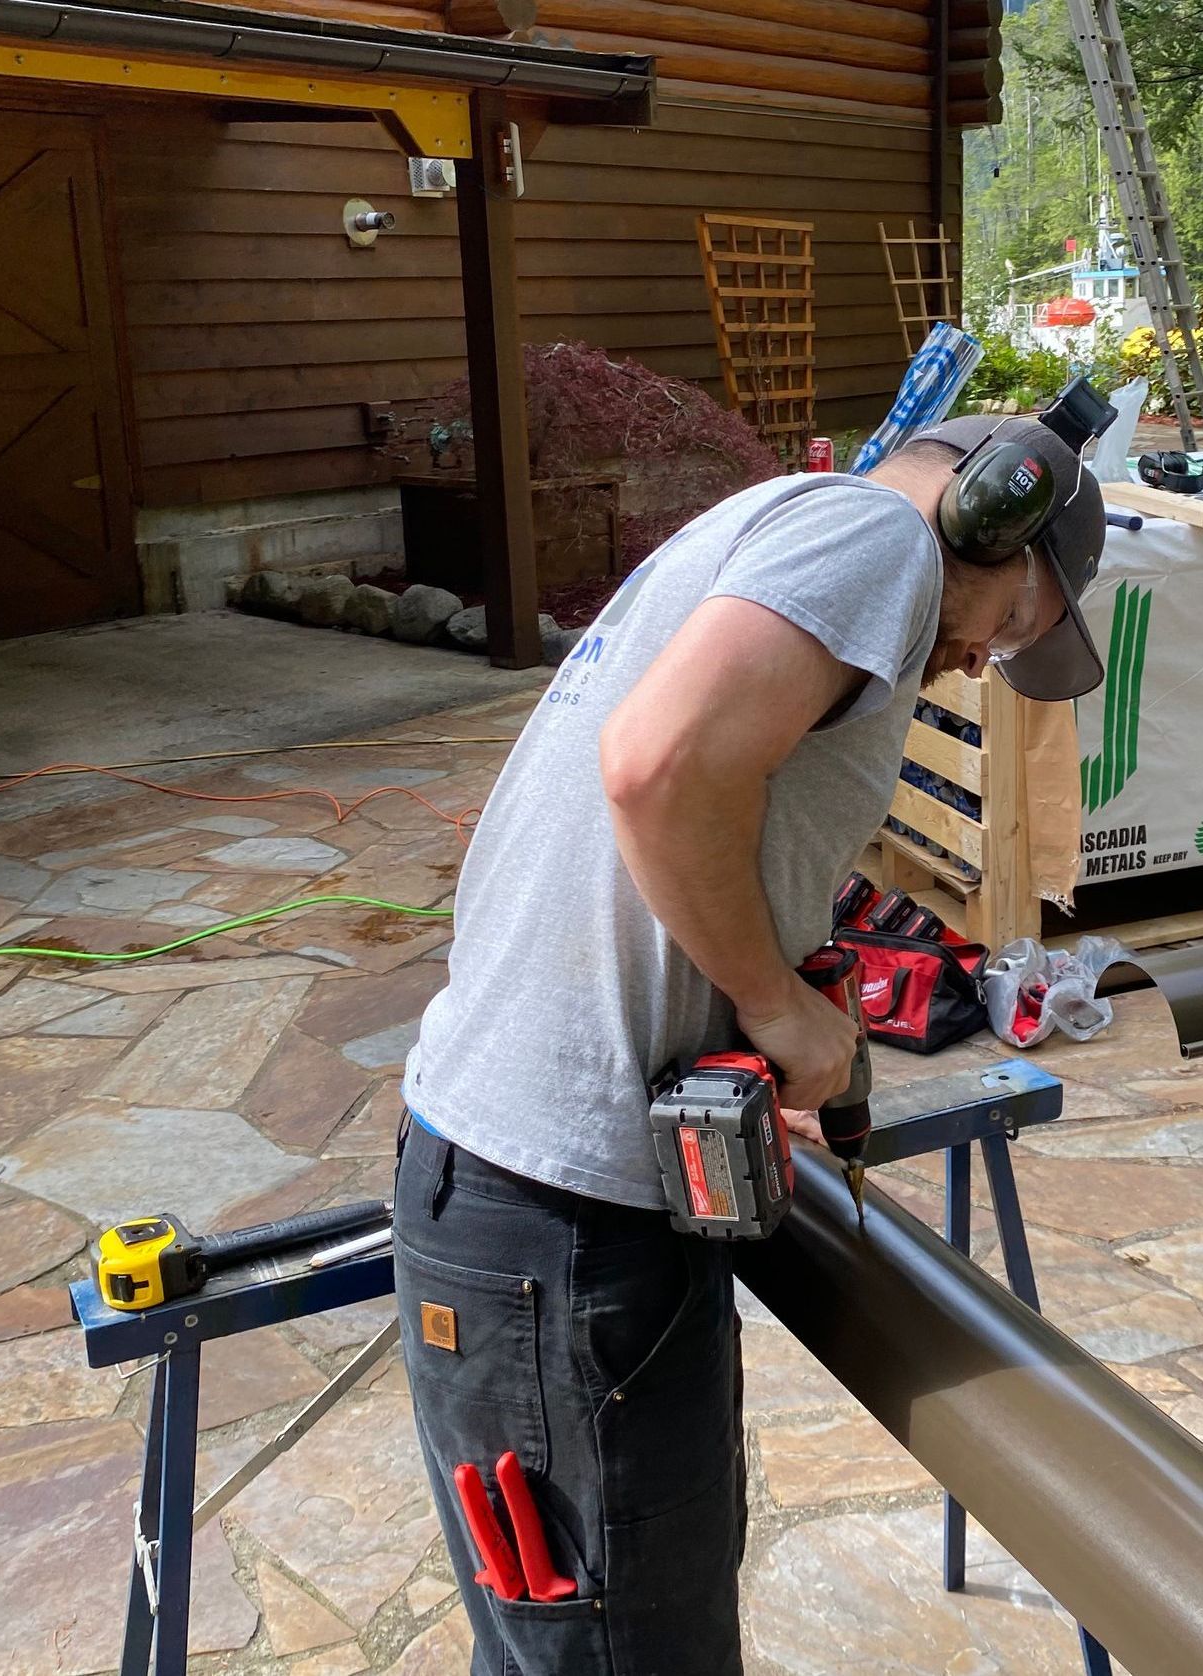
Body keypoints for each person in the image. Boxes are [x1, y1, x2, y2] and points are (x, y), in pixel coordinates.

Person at [393, 403, 1109, 1676]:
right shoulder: (876, 542)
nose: (969, 661)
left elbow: (710, 791)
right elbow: (660, 768)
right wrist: (777, 1006)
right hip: (559, 1224)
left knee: (604, 1631)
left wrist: (777, 946)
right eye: (1006, 626)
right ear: (993, 502)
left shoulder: (777, 522)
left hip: (536, 1205)